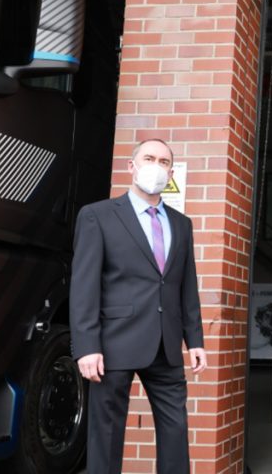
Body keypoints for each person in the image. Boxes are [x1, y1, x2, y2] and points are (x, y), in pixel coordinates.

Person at [70, 138, 207, 474]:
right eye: (149, 158)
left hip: (166, 344)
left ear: (171, 172)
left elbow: (186, 287)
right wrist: (86, 346)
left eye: (163, 162)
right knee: (106, 431)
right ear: (131, 166)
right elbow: (84, 285)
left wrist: (196, 341)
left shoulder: (181, 223)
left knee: (175, 431)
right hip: (112, 344)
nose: (156, 166)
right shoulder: (97, 215)